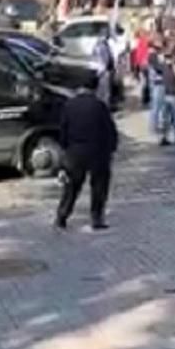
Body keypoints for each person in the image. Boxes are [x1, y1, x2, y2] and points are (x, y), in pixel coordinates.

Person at [55, 72, 119, 231]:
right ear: (95, 87)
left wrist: (65, 149)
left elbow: (62, 130)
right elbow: (109, 130)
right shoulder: (99, 106)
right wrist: (111, 149)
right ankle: (96, 218)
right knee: (99, 186)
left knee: (71, 187)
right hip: (97, 151)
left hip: (75, 152)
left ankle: (62, 216)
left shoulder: (69, 105)